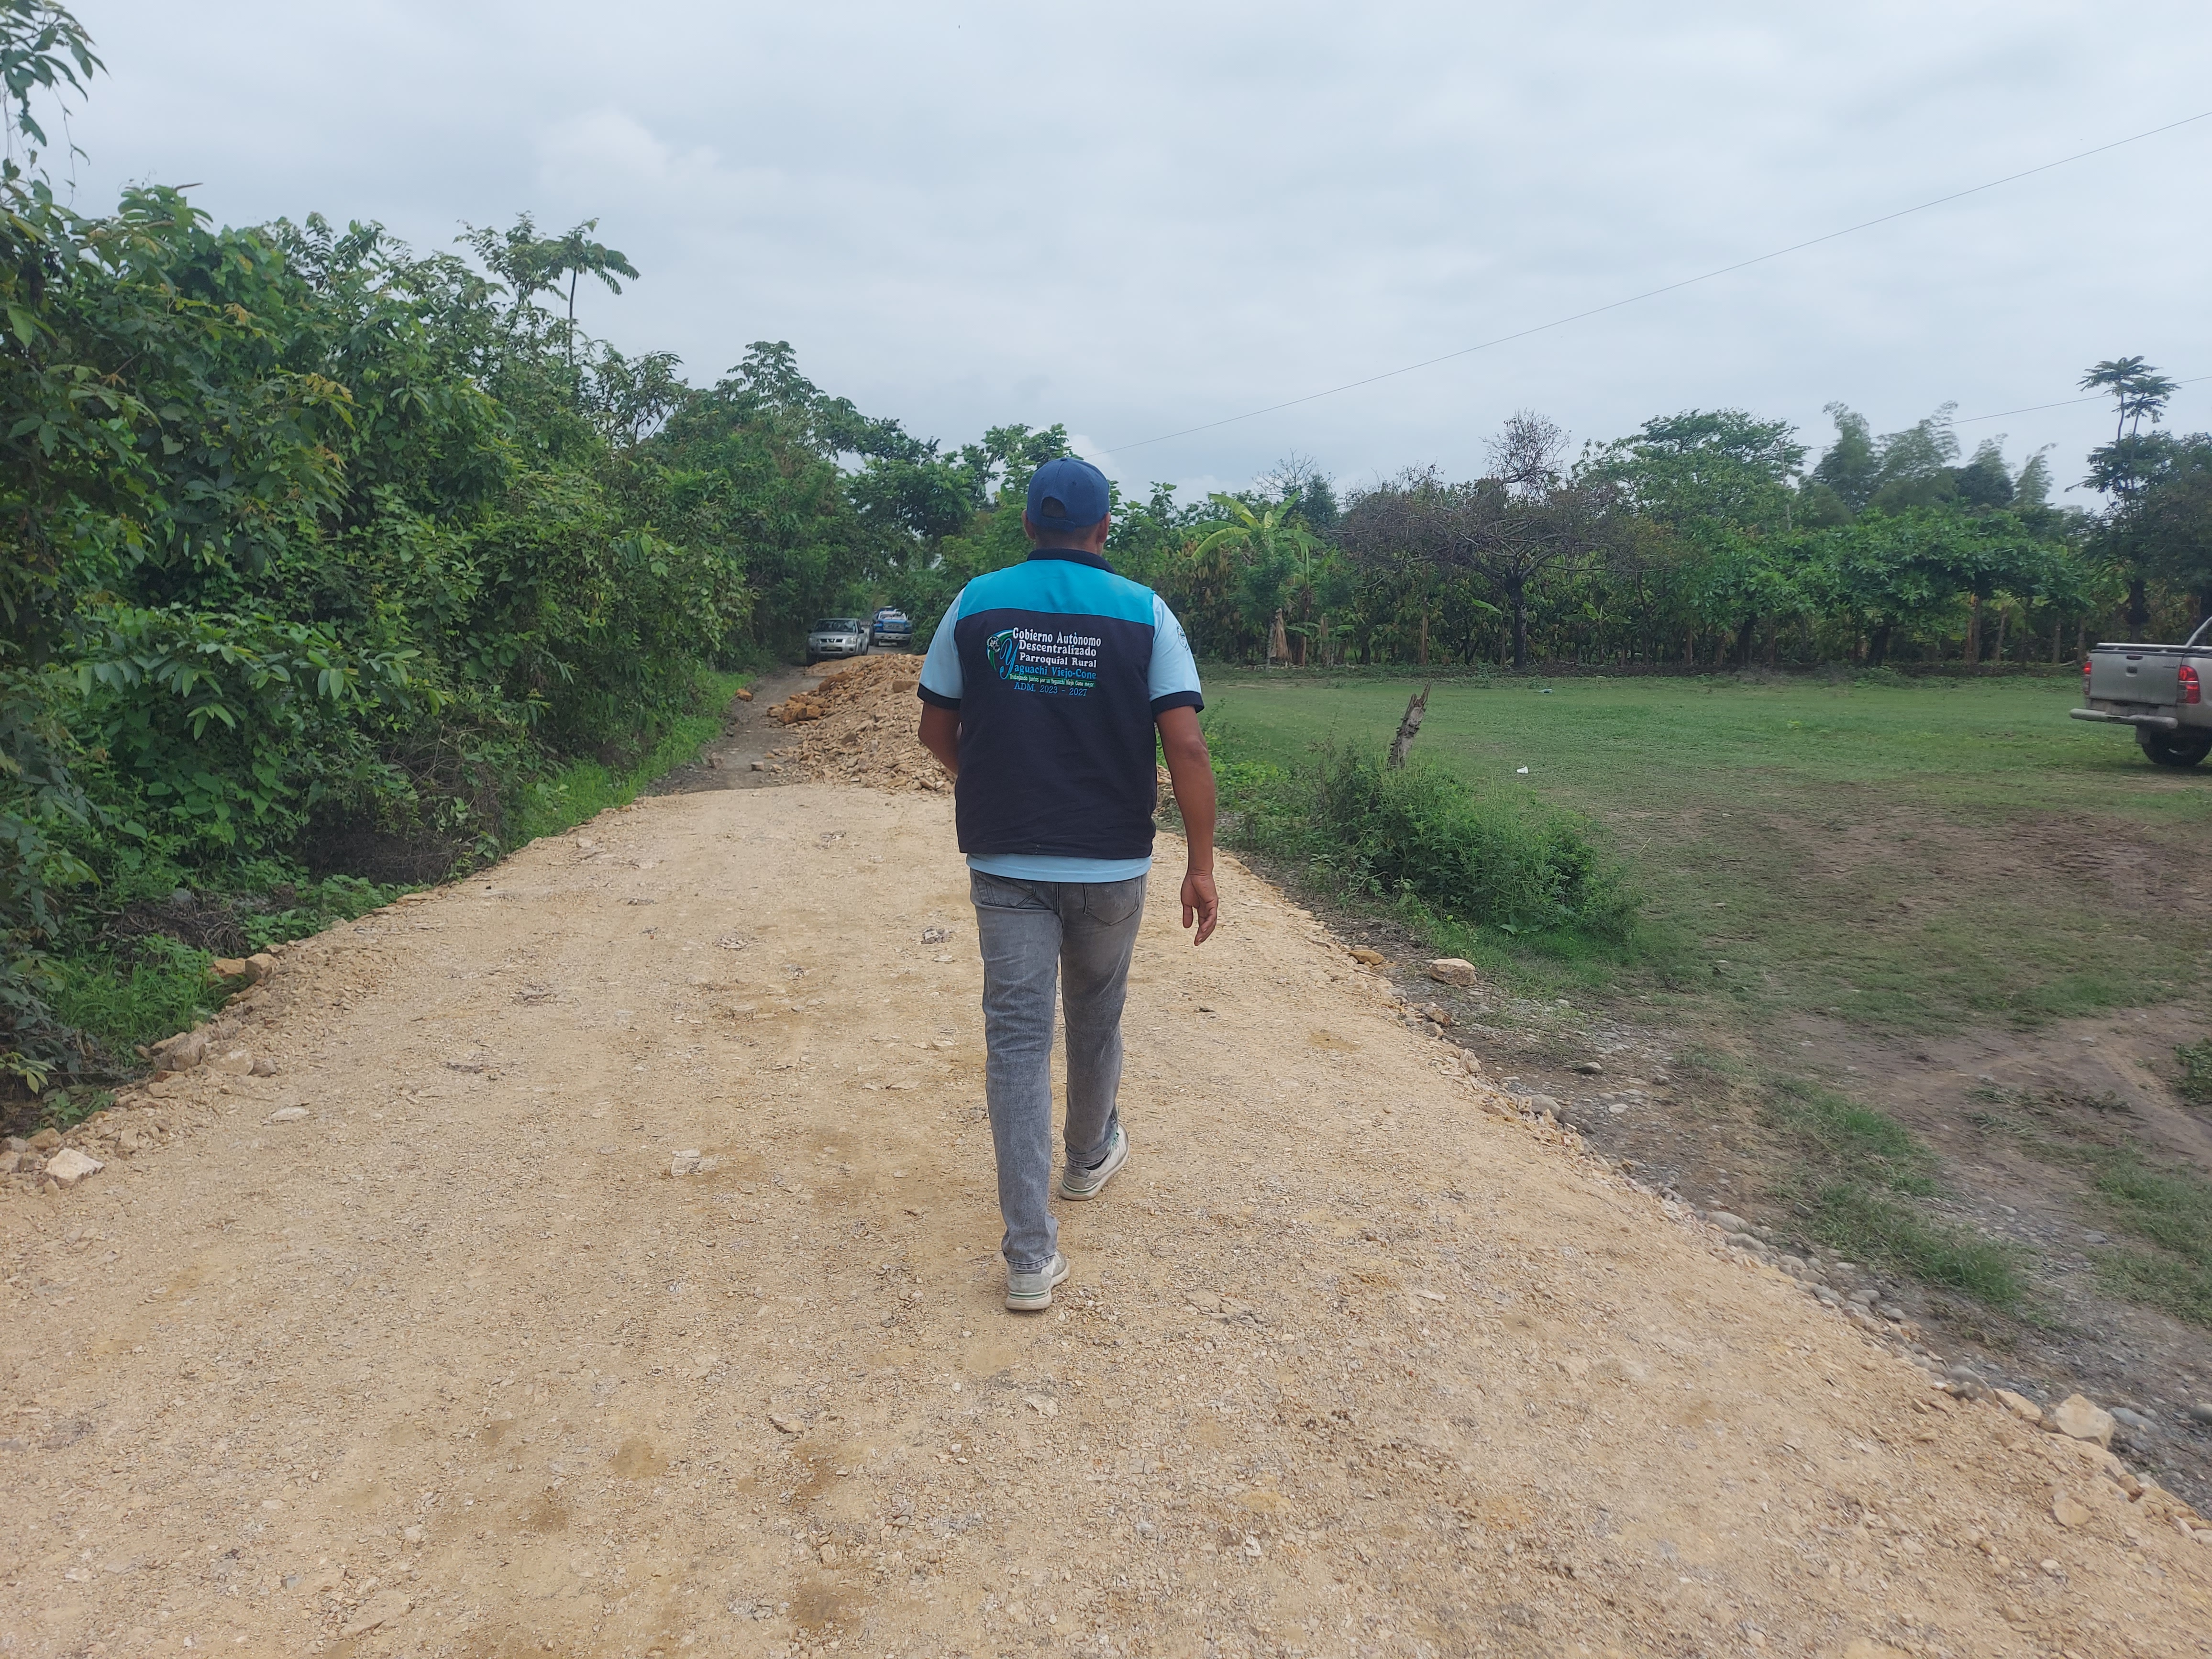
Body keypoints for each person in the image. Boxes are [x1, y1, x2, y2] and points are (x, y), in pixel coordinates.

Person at [915, 455, 1219, 1312]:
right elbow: (1186, 745)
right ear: (1104, 529)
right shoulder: (1145, 612)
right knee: (1095, 1014)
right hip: (1111, 862)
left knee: (1016, 1044)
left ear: (1027, 525)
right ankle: (1086, 1159)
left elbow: (935, 727)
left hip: (1006, 859)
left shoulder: (976, 602)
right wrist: (1201, 864)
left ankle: (1029, 1257)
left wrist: (988, 785)